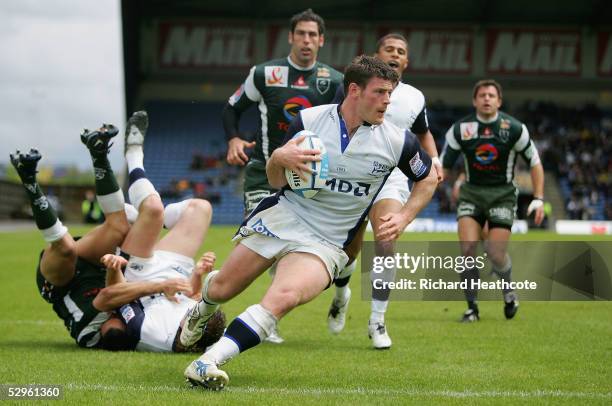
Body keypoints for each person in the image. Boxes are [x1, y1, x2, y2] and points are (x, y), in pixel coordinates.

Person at [182, 55, 438, 390]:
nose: (388, 101)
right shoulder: (309, 120)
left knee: (284, 296)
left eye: (391, 93)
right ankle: (202, 309)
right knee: (223, 288)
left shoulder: (397, 140)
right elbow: (276, 180)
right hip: (284, 217)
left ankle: (208, 361)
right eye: (380, 92)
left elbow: (429, 177)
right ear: (355, 91)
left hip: (328, 241)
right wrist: (278, 158)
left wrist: (404, 216)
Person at [222, 8, 343, 343]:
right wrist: (233, 137)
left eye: (312, 35)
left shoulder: (334, 81)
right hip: (264, 170)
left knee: (298, 247)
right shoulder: (264, 74)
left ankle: (271, 313)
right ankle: (265, 314)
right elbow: (232, 108)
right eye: (300, 34)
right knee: (264, 239)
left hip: (308, 174)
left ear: (322, 40)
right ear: (291, 37)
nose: (306, 40)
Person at [326, 33, 444, 350]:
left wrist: (435, 161)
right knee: (347, 252)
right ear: (376, 55)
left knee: (386, 239)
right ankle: (341, 294)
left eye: (400, 51)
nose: (394, 54)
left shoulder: (415, 98)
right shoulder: (353, 86)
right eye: (388, 49)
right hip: (349, 172)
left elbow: (422, 132)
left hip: (389, 176)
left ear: (406, 61)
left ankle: (377, 320)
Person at [10, 123, 153, 348]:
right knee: (119, 227)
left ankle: (29, 180)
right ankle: (98, 153)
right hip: (95, 265)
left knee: (66, 248)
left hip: (58, 284)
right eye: (120, 320)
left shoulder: (89, 334)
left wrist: (164, 286)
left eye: (113, 320)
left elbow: (108, 298)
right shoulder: (132, 325)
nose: (118, 317)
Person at [93, 111, 225, 352]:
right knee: (200, 207)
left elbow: (108, 299)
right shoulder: (202, 325)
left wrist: (123, 271)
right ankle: (147, 219)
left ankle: (134, 153)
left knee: (153, 209)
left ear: (190, 332)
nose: (197, 309)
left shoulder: (152, 332)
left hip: (140, 273)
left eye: (194, 316)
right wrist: (197, 274)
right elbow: (193, 295)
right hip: (178, 268)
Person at [440, 79, 545, 322]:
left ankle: (508, 292)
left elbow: (535, 162)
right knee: (467, 250)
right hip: (471, 194)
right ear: (474, 100)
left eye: (491, 95)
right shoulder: (460, 129)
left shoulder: (515, 128)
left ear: (499, 100)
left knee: (494, 253)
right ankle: (472, 309)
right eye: (482, 95)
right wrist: (438, 184)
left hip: (503, 195)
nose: (487, 99)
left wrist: (538, 198)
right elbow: (444, 165)